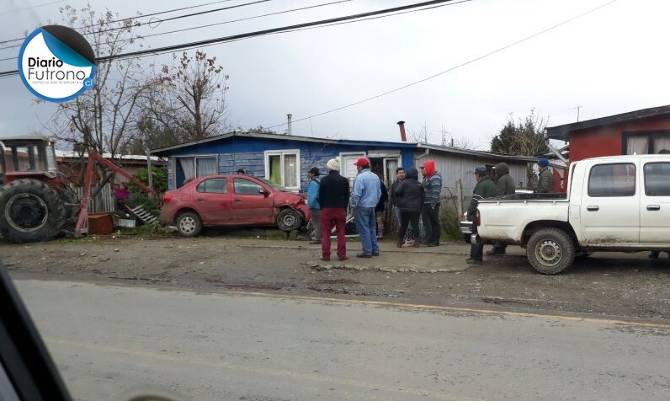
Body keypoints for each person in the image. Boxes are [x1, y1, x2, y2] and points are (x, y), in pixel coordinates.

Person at [318, 159, 350, 261]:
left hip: (327, 208)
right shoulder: (344, 180)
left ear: (329, 168)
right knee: (341, 232)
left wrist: (322, 207)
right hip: (340, 208)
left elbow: (320, 196)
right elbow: (347, 196)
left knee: (326, 232)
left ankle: (326, 255)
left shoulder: (323, 180)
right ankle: (342, 255)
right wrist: (344, 208)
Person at [351, 158, 381, 258]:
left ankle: (367, 251)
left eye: (357, 166)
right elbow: (379, 192)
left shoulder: (360, 177)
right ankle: (375, 249)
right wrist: (375, 202)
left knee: (364, 229)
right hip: (372, 205)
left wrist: (353, 206)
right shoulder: (375, 176)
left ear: (360, 167)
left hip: (362, 206)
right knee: (372, 228)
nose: (356, 168)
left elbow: (356, 194)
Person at [466, 167, 497, 264]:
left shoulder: (481, 185)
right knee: (480, 236)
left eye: (475, 174)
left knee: (475, 235)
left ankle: (476, 258)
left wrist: (470, 213)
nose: (475, 176)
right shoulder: (492, 183)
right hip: (490, 213)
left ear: (478, 175)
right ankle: (476, 257)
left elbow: (475, 201)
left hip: (480, 214)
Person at [488, 162, 516, 255]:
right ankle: (500, 248)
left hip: (502, 207)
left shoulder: (502, 179)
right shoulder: (509, 178)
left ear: (501, 170)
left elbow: (499, 195)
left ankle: (497, 249)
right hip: (509, 206)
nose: (496, 172)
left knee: (497, 228)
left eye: (497, 170)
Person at [394, 167, 423, 248]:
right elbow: (422, 195)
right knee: (415, 225)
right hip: (416, 209)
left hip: (405, 208)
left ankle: (399, 242)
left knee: (403, 225)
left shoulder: (404, 183)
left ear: (408, 174)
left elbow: (397, 191)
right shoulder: (419, 184)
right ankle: (417, 242)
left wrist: (401, 198)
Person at [420, 160, 442, 247]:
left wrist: (433, 205)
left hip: (432, 204)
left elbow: (436, 192)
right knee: (427, 223)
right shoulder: (427, 177)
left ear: (429, 167)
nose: (423, 170)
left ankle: (435, 241)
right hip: (426, 203)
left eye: (424, 168)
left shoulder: (435, 177)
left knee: (434, 222)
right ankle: (429, 239)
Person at [306, 167, 321, 244]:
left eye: (309, 173)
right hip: (320, 205)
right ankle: (319, 237)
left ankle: (318, 239)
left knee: (316, 223)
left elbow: (312, 196)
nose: (308, 174)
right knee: (320, 222)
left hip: (315, 206)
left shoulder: (313, 183)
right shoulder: (319, 181)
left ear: (313, 174)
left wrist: (310, 205)